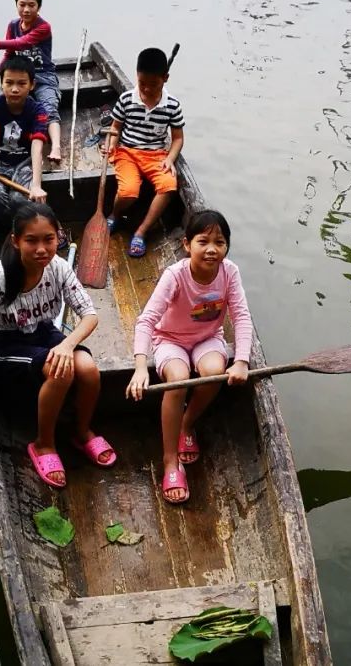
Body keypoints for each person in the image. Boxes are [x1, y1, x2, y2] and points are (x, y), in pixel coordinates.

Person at [0, 202, 117, 488]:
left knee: (87, 369)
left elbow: (89, 315)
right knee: (60, 370)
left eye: (49, 240)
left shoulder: (58, 268)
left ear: (57, 237)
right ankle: (44, 444)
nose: (42, 249)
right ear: (16, 241)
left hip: (43, 333)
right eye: (31, 241)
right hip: (2, 344)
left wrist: (67, 345)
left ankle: (82, 432)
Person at [125, 210, 252, 504]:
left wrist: (242, 361)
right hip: (170, 339)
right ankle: (170, 460)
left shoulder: (229, 272)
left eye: (219, 242)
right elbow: (146, 321)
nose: (211, 249)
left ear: (227, 246)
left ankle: (186, 423)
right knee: (178, 380)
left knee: (214, 370)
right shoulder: (176, 275)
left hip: (207, 337)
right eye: (203, 241)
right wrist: (141, 366)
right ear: (187, 244)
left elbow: (241, 317)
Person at [104, 47, 185, 258]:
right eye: (142, 83)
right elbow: (116, 129)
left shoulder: (173, 106)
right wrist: (112, 144)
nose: (147, 89)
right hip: (127, 152)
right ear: (137, 77)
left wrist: (170, 158)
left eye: (154, 84)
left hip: (156, 155)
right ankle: (115, 214)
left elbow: (177, 138)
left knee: (169, 186)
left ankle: (141, 231)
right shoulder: (127, 99)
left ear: (165, 78)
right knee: (129, 191)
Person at [0, 0, 62, 163]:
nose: (26, 10)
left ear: (39, 6)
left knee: (49, 108)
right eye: (22, 5)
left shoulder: (43, 27)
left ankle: (55, 147)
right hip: (17, 76)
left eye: (32, 5)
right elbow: (10, 53)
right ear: (16, 4)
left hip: (42, 75)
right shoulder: (13, 25)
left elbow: (21, 43)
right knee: (0, 104)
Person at [0, 54, 49, 229]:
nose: (15, 89)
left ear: (31, 85)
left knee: (18, 198)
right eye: (9, 83)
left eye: (21, 84)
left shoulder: (38, 111)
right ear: (1, 83)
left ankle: (26, 226)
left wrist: (36, 186)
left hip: (24, 163)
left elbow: (37, 149)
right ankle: (11, 229)